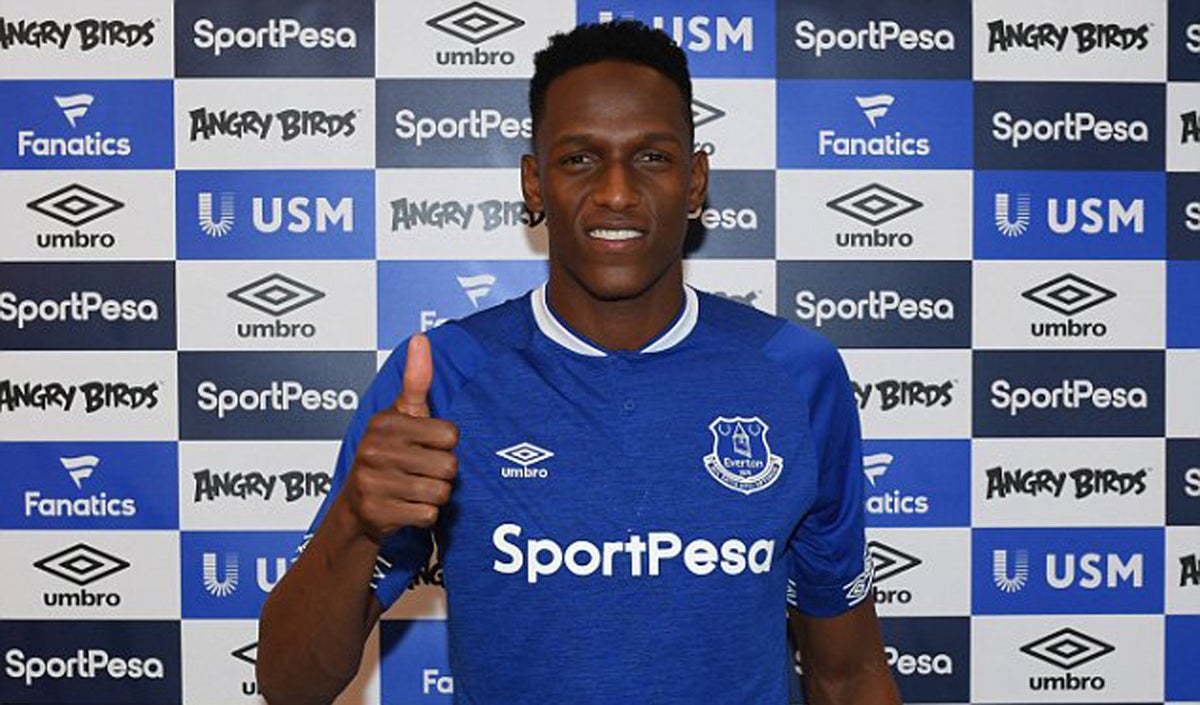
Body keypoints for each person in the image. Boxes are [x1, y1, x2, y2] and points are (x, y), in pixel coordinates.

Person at [257, 20, 900, 705]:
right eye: (579, 158)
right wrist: (354, 522)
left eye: (651, 156)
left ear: (695, 182)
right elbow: (291, 685)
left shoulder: (796, 373)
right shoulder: (443, 378)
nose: (616, 191)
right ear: (534, 184)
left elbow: (848, 672)